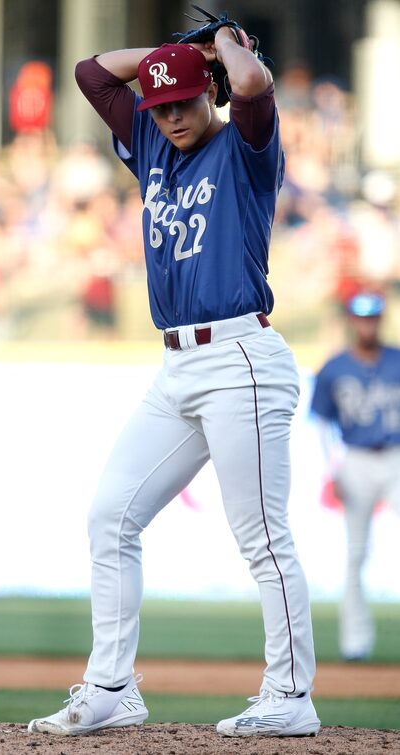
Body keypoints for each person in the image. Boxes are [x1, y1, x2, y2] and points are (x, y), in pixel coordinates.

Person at [28, 23, 320, 739]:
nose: (171, 115)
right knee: (111, 514)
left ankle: (291, 693)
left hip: (240, 359)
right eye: (160, 105)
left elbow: (254, 86)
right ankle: (112, 685)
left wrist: (218, 47)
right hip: (178, 366)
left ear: (210, 90)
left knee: (260, 537)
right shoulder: (155, 143)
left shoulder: (245, 145)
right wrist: (168, 59)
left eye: (185, 100)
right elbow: (91, 71)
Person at [311, 292, 400, 661]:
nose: (368, 324)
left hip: (395, 455)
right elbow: (321, 423)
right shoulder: (334, 367)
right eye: (361, 318)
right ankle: (355, 643)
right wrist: (331, 469)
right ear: (352, 321)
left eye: (373, 317)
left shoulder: (396, 359)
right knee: (356, 553)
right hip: (357, 458)